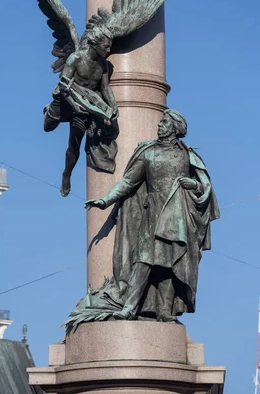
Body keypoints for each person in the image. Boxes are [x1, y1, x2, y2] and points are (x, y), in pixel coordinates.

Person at [85, 109, 219, 322]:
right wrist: (106, 199)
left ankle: (165, 310)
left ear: (175, 128)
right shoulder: (148, 152)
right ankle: (129, 307)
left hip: (177, 214)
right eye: (161, 121)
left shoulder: (187, 154)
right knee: (144, 259)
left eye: (164, 122)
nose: (159, 125)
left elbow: (205, 186)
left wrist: (192, 183)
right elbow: (129, 181)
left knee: (170, 262)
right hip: (153, 213)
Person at [44, 29, 118, 197]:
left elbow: (105, 88)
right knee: (47, 127)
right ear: (95, 44)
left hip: (85, 106)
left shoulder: (103, 65)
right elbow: (63, 84)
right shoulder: (75, 58)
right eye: (106, 47)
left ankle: (67, 173)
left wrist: (113, 106)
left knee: (74, 144)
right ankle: (48, 110)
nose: (108, 51)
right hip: (66, 99)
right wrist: (73, 105)